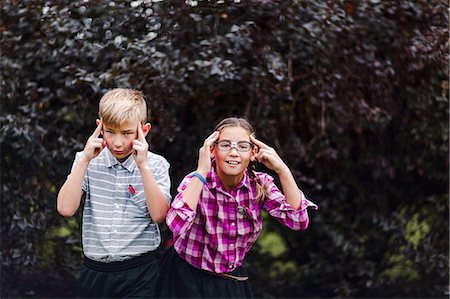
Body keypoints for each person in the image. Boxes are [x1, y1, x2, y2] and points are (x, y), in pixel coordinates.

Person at [155, 117, 318, 298]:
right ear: (212, 149)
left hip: (229, 281)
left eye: (242, 146)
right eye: (225, 145)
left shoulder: (259, 184)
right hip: (186, 278)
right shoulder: (197, 181)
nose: (234, 152)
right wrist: (201, 171)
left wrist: (283, 170)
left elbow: (299, 221)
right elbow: (174, 224)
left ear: (253, 152)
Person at [57, 88, 171, 298]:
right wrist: (84, 160)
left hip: (140, 272)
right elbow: (65, 208)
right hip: (95, 272)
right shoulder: (87, 161)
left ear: (143, 130)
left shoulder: (156, 165)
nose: (118, 142)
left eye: (127, 133)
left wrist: (143, 166)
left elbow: (159, 215)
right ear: (99, 127)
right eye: (110, 132)